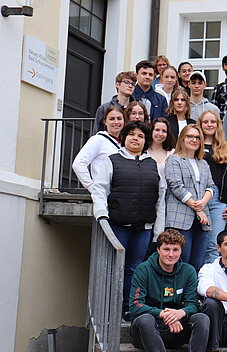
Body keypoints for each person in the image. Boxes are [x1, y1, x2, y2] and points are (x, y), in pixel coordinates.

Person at [91, 121, 165, 321]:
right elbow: (99, 189)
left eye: (140, 136)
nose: (135, 138)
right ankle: (108, 310)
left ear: (145, 141)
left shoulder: (154, 165)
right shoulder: (112, 160)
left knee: (135, 269)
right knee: (114, 267)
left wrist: (158, 231)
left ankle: (128, 308)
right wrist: (101, 215)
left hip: (143, 228)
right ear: (124, 137)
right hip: (118, 225)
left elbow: (160, 199)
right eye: (131, 134)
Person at [129, 229, 211, 352]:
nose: (171, 254)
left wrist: (180, 313)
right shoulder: (143, 269)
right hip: (147, 331)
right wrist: (163, 314)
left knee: (202, 318)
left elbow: (192, 304)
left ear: (181, 251)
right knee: (144, 319)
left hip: (176, 328)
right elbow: (135, 306)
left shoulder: (188, 271)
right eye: (166, 249)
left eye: (175, 250)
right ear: (158, 249)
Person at [165, 125, 214, 272]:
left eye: (197, 137)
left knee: (198, 263)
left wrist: (203, 202)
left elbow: (210, 186)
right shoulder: (174, 160)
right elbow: (176, 186)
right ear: (182, 138)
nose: (194, 140)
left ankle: (192, 295)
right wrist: (198, 209)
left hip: (202, 221)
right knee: (182, 263)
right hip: (181, 219)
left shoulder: (203, 163)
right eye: (190, 136)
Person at [198, 110, 227, 263]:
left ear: (218, 125)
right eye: (205, 122)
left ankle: (208, 283)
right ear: (200, 124)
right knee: (198, 244)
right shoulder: (194, 144)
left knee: (214, 245)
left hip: (218, 200)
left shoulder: (225, 148)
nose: (209, 125)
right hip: (197, 199)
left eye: (212, 122)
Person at [72, 106, 123, 192]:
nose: (116, 122)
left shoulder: (125, 143)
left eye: (119, 118)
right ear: (105, 122)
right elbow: (78, 164)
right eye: (111, 119)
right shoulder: (97, 140)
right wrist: (92, 187)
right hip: (103, 193)